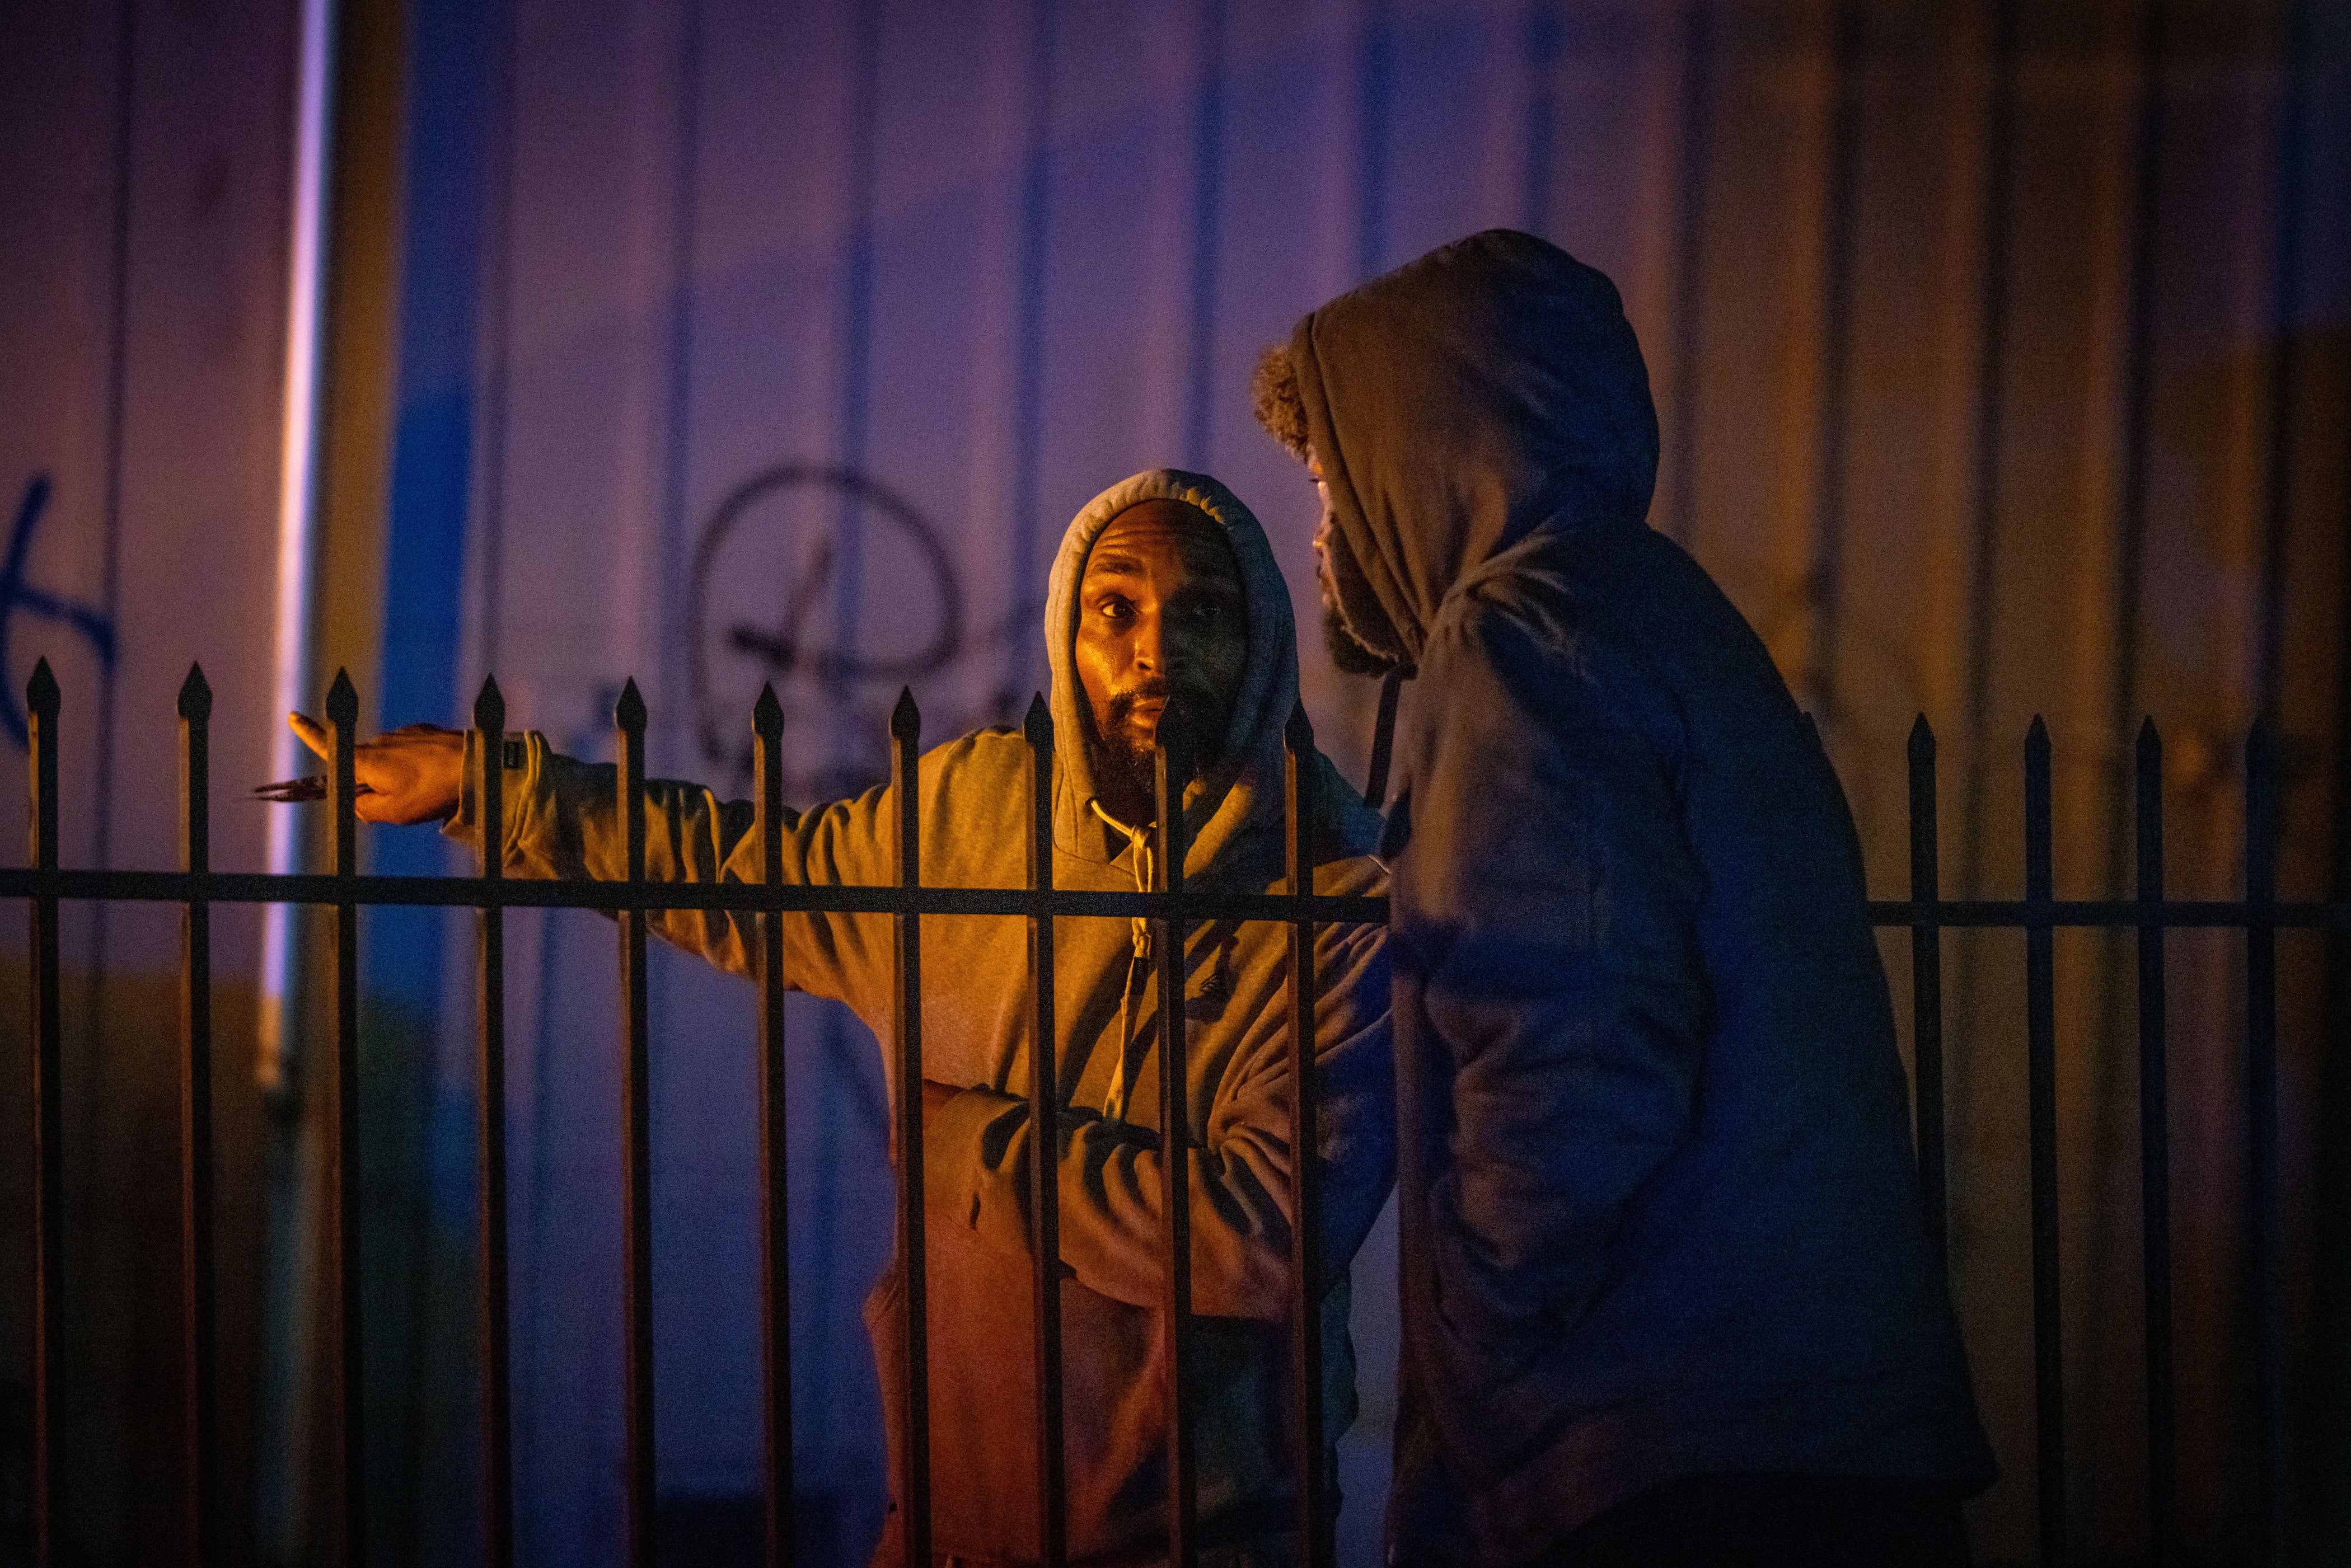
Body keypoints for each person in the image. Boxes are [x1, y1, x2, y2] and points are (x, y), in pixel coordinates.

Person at [295, 469, 1395, 1567]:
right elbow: (742, 872)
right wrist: (501, 791)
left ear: (1256, 641)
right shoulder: (967, 821)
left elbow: (1266, 1232)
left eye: (1201, 610)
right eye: (1118, 609)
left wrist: (973, 1149)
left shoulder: (1327, 894)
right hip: (952, 1530)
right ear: (1070, 634)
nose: (1157, 650)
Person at [1251, 231, 1995, 1567]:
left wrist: (1483, 1336)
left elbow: (1566, 1042)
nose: (1321, 532)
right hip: (1798, 1415)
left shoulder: (1517, 636)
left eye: (1329, 479)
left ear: (1429, 449)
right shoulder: (1661, 612)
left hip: (1656, 1442)